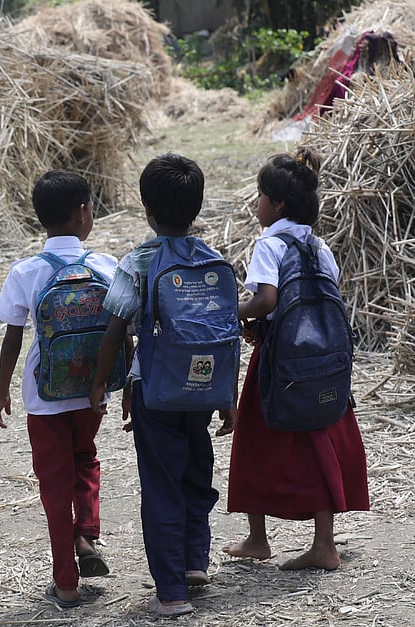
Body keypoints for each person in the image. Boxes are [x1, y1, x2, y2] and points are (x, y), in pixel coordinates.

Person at [87, 154, 227, 618]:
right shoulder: (213, 260)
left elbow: (114, 330)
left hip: (156, 391)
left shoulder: (139, 261)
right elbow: (224, 332)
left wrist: (98, 386)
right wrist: (227, 397)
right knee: (195, 475)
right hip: (204, 390)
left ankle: (170, 592)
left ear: (147, 211)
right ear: (196, 209)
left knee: (161, 485)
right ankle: (193, 562)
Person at [223, 149, 369, 571]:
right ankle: (323, 540)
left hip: (278, 361)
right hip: (321, 362)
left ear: (278, 204)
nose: (257, 204)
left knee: (253, 441)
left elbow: (267, 299)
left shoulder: (269, 243)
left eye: (260, 196)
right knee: (318, 441)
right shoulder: (317, 244)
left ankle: (259, 538)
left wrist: (233, 311)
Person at [0, 170, 116, 609]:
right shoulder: (105, 266)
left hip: (43, 395)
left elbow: (12, 336)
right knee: (86, 458)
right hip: (92, 391)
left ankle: (66, 583)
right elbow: (124, 329)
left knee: (53, 484)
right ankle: (86, 533)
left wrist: (3, 389)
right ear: (84, 213)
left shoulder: (25, 271)